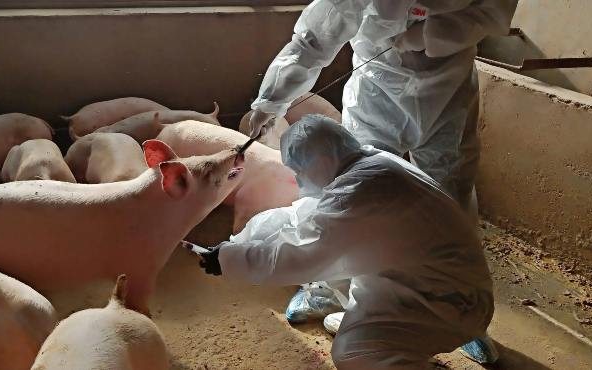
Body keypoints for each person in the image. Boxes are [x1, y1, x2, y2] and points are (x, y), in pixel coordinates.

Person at [245, 2, 517, 362]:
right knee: (351, 193)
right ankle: (327, 288)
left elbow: (494, 11)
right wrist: (272, 99)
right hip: (377, 90)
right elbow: (313, 39)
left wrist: (435, 34)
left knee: (450, 194)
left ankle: (455, 310)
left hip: (449, 90)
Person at [191, 116, 495, 369]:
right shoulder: (369, 165)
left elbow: (304, 254)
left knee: (352, 352)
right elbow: (301, 217)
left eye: (299, 170)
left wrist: (230, 261)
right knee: (343, 272)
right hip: (426, 283)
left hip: (451, 304)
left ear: (322, 160)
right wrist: (236, 245)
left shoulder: (361, 192)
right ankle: (385, 329)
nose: (298, 180)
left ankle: (404, 351)